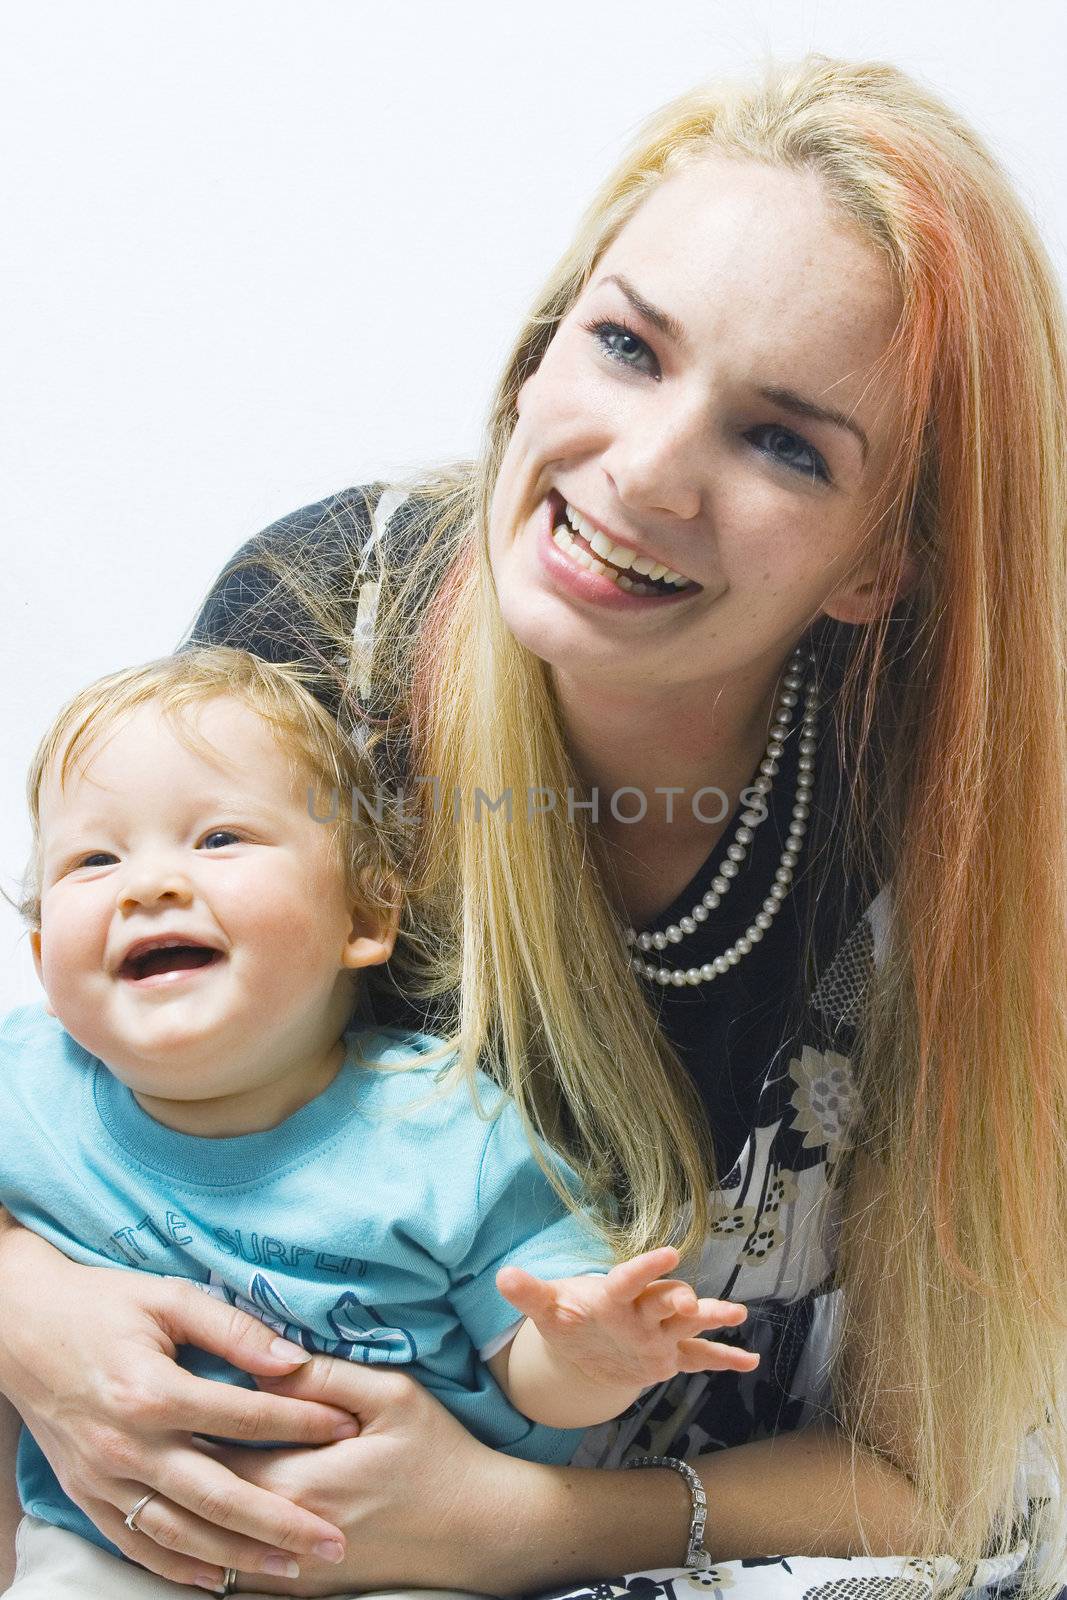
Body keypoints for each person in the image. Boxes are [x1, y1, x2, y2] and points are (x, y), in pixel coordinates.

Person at [0, 50, 1065, 1600]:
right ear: (536, 351)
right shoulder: (325, 626)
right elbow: (92, 1111)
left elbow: (951, 1483)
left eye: (781, 443)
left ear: (873, 564)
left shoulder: (942, 814)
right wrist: (35, 1323)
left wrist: (523, 1532)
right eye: (625, 345)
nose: (641, 473)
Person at [0, 644, 759, 1596]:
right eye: (94, 859)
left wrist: (592, 1354)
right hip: (113, 1552)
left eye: (220, 839)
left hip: (398, 1559)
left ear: (363, 915)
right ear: (40, 957)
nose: (147, 885)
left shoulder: (448, 1127)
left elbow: (524, 1366)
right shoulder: (27, 1079)